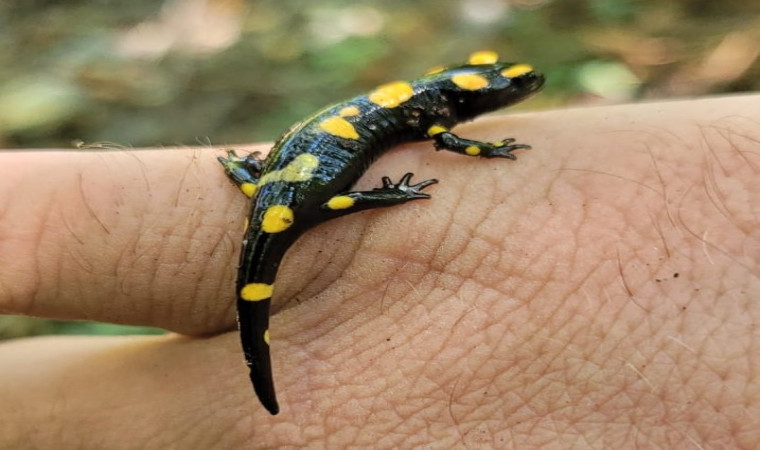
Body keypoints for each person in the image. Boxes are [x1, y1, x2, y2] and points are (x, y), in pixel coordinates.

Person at [0, 95, 758, 448]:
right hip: (296, 200)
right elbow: (438, 149)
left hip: (275, 192)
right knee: (319, 206)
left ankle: (267, 192)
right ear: (469, 99)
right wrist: (398, 189)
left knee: (288, 204)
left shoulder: (413, 100)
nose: (514, 91)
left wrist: (245, 171)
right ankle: (346, 205)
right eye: (504, 90)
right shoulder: (431, 116)